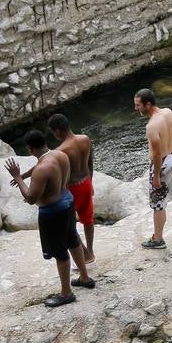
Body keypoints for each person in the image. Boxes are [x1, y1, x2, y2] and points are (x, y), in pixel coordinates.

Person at [6, 130, 93, 307]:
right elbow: (43, 170)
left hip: (53, 212)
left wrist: (18, 178)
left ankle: (66, 293)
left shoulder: (42, 169)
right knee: (73, 239)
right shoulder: (60, 154)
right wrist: (25, 176)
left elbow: (31, 198)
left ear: (30, 149)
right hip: (67, 201)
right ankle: (85, 277)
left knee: (60, 251)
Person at [134, 88, 172, 249]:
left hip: (162, 164)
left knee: (158, 204)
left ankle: (158, 239)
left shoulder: (151, 126)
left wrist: (156, 176)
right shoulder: (168, 112)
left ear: (148, 104)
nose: (136, 108)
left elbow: (157, 154)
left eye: (138, 105)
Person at [48, 113, 96, 263]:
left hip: (72, 189)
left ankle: (85, 254)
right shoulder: (85, 139)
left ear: (57, 131)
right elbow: (90, 163)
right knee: (88, 219)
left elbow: (56, 174)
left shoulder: (61, 150)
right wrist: (91, 182)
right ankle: (90, 251)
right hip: (86, 182)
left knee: (66, 225)